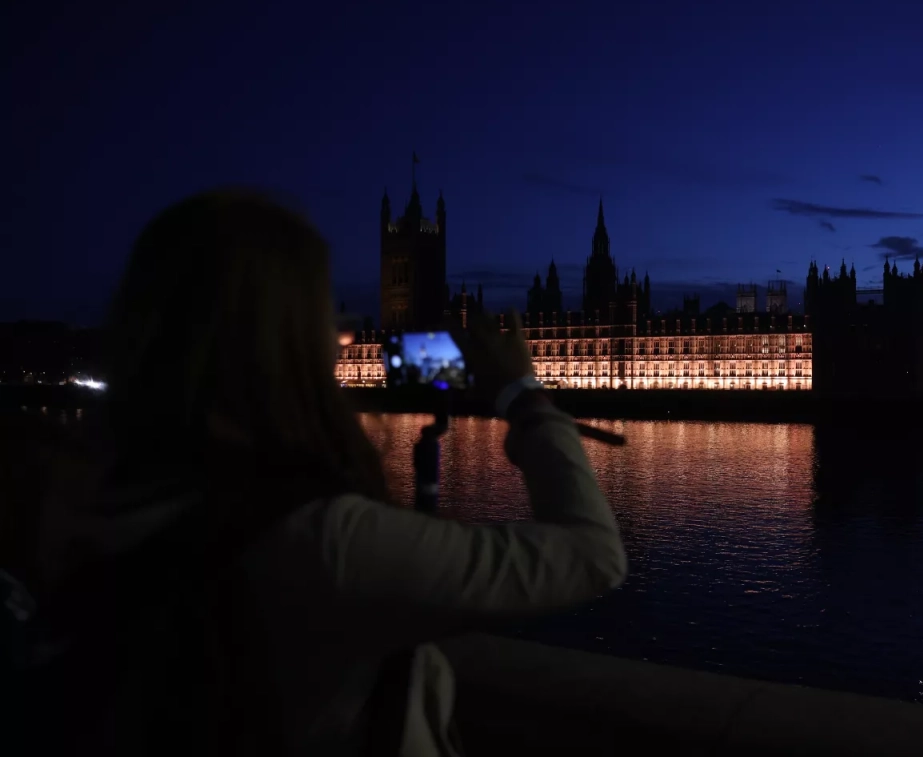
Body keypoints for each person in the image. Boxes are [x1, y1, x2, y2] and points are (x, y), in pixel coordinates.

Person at [34, 190, 627, 756]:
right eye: (326, 314)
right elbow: (593, 556)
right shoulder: (325, 540)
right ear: (283, 339)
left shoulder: (70, 501)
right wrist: (524, 397)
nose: (344, 335)